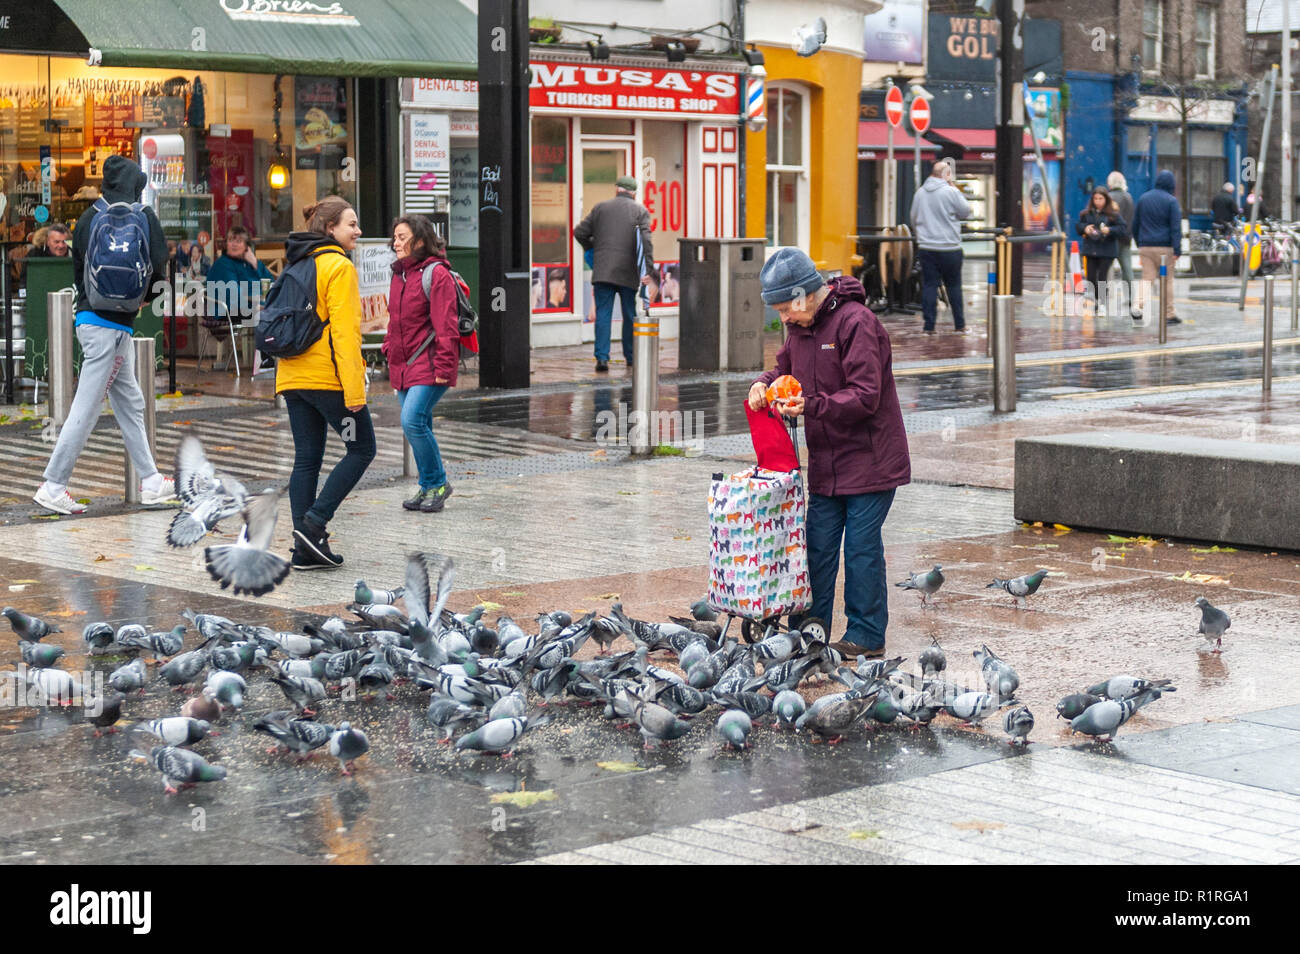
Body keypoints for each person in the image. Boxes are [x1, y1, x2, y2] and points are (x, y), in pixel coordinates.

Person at [747, 248, 911, 659]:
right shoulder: (799, 330)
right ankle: (809, 631)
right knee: (816, 548)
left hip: (871, 461)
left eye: (786, 308)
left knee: (860, 549)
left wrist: (812, 405)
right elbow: (784, 369)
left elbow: (866, 395)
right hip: (827, 462)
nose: (783, 318)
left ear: (804, 295)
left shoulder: (857, 323)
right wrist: (763, 383)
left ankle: (867, 635)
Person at [33, 156, 175, 515]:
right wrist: (141, 301)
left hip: (92, 321)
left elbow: (79, 271)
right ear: (135, 185)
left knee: (131, 403)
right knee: (86, 407)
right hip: (114, 329)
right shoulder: (145, 216)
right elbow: (160, 269)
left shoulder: (87, 218)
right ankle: (53, 484)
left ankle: (151, 481)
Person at [276, 197, 375, 570]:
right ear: (330, 229)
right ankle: (314, 523)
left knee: (307, 459)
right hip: (326, 377)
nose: (358, 230)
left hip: (291, 375)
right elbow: (346, 335)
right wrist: (355, 391)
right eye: (352, 224)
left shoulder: (298, 263)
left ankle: (306, 549)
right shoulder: (339, 267)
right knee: (362, 448)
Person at [382, 214, 459, 514]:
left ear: (420, 241)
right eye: (395, 237)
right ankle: (428, 485)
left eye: (402, 237)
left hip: (428, 364)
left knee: (412, 420)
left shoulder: (436, 274)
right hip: (403, 365)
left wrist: (444, 367)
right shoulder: (399, 275)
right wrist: (388, 349)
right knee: (419, 423)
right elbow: (394, 321)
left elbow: (446, 326)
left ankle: (438, 482)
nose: (396, 243)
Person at [573, 174, 654, 372]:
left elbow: (579, 232)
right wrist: (648, 269)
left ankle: (602, 359)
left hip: (603, 272)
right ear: (634, 193)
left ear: (617, 189)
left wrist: (594, 247)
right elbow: (646, 243)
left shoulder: (600, 208)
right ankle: (630, 357)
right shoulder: (640, 211)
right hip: (628, 271)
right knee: (629, 313)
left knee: (603, 314)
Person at [909, 158, 972, 333]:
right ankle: (960, 325)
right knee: (954, 286)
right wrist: (953, 187)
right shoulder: (950, 191)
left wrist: (923, 235)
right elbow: (966, 211)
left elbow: (913, 218)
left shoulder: (920, 193)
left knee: (929, 286)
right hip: (950, 247)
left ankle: (929, 327)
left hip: (927, 248)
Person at [1131, 169, 1182, 325]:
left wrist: (1140, 243)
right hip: (1165, 248)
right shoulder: (1171, 201)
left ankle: (1137, 307)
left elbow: (1135, 224)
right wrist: (1177, 249)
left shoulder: (1143, 198)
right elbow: (1175, 227)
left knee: (1147, 279)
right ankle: (1169, 314)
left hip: (1146, 246)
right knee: (1166, 281)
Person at [1075, 186, 1128, 317]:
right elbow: (1078, 226)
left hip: (1107, 250)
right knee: (1091, 277)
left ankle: (1102, 304)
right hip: (1091, 248)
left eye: (1101, 198)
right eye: (1095, 198)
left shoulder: (1113, 215)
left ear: (1106, 199)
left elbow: (1122, 229)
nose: (1098, 201)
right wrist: (1085, 228)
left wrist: (1109, 230)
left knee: (1102, 277)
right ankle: (1095, 301)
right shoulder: (1086, 214)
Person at [1106, 171, 1136, 314]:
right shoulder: (1129, 197)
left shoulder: (1109, 198)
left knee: (1106, 267)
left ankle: (1104, 295)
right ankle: (1130, 297)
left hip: (1111, 238)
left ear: (1110, 183)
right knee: (1127, 268)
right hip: (1125, 238)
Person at [18, 222, 70, 288]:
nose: (61, 245)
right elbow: (25, 283)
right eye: (56, 242)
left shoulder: (72, 255)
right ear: (48, 242)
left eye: (64, 242)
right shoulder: (35, 257)